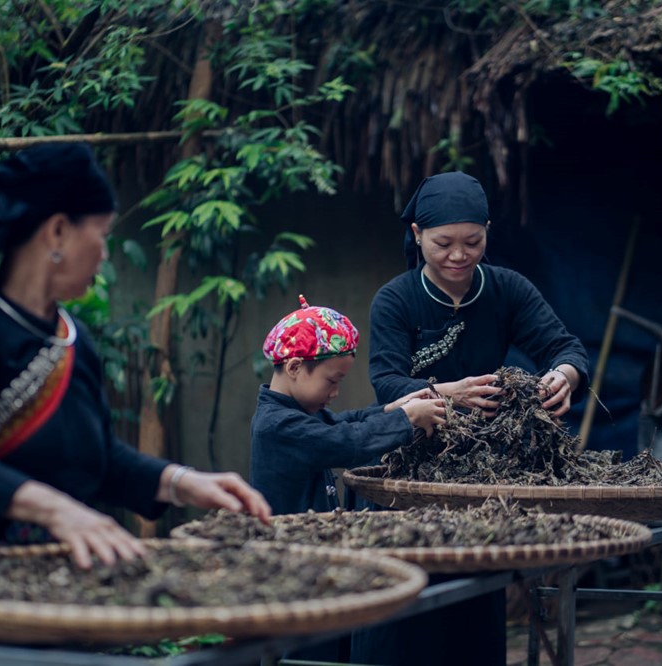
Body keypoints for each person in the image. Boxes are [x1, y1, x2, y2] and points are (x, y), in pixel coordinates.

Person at [0, 142, 270, 572]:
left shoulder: (73, 340)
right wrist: (58, 511)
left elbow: (98, 459)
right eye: (103, 234)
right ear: (57, 232)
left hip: (42, 572)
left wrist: (183, 483)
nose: (105, 252)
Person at [358, 171, 591, 665]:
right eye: (443, 243)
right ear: (417, 234)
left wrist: (563, 376)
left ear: (487, 231)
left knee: (475, 601)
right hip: (412, 469)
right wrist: (448, 393)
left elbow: (565, 347)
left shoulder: (507, 289)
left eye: (473, 242)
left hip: (485, 472)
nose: (459, 255)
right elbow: (387, 384)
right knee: (408, 612)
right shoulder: (396, 300)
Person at [250, 295, 445, 516]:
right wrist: (406, 418)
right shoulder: (277, 425)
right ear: (294, 368)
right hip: (289, 535)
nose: (335, 392)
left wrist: (390, 409)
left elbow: (342, 422)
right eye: (332, 381)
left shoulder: (293, 412)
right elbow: (347, 441)